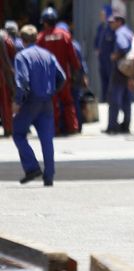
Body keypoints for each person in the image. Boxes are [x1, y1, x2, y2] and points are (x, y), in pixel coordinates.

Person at [12, 25, 66, 186]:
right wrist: (51, 91)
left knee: (18, 133)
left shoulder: (22, 56)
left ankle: (32, 167)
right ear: (36, 38)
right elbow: (62, 77)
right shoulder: (48, 55)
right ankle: (49, 176)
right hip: (47, 101)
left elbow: (22, 82)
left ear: (22, 40)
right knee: (46, 139)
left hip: (31, 101)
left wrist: (18, 102)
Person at [37, 7, 81, 136]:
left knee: (52, 104)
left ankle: (54, 130)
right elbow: (73, 57)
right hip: (64, 77)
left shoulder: (41, 38)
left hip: (48, 78)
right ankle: (72, 127)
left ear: (44, 22)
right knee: (68, 102)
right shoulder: (65, 35)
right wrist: (77, 71)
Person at [56, 21, 89, 133]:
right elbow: (81, 62)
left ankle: (69, 126)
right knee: (73, 102)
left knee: (70, 102)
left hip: (70, 79)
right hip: (73, 78)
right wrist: (84, 75)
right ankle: (76, 126)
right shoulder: (74, 44)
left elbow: (79, 62)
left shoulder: (72, 44)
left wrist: (83, 75)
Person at [104, 14, 134, 134]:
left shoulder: (120, 32)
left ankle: (112, 126)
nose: (110, 24)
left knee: (114, 99)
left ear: (119, 22)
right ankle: (126, 125)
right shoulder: (128, 32)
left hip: (120, 70)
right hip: (129, 69)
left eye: (113, 22)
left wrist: (116, 55)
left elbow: (123, 47)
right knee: (127, 99)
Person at [94, 5, 115, 103]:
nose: (101, 16)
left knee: (111, 79)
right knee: (103, 79)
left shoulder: (112, 28)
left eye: (103, 14)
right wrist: (97, 49)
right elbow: (96, 41)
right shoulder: (100, 27)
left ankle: (110, 99)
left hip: (109, 59)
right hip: (102, 59)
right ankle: (104, 98)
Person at [0, 30, 16, 137]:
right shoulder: (4, 37)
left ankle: (8, 128)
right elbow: (12, 52)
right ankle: (8, 129)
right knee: (5, 102)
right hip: (3, 74)